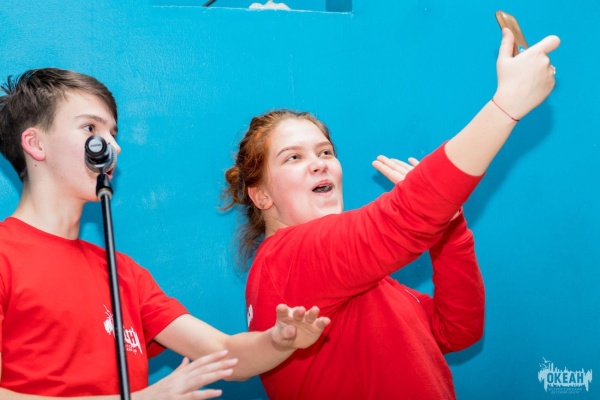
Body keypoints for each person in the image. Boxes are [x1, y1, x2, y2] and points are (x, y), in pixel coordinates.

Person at [222, 28, 560, 399]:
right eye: (293, 157)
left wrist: (448, 226)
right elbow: (403, 218)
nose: (319, 164)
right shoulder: (286, 258)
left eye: (325, 152)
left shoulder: (363, 282)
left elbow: (457, 330)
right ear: (261, 195)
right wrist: (505, 107)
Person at [0, 68, 331, 399]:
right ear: (35, 143)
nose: (114, 146)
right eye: (90, 128)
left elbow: (226, 353)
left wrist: (278, 341)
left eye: (114, 133)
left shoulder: (124, 274)